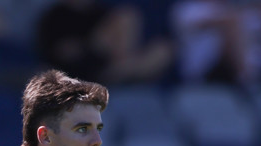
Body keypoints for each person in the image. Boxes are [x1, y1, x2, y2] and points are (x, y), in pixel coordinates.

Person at [171, 0, 261, 89]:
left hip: (260, 66)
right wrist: (238, 17)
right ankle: (250, 84)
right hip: (209, 71)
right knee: (233, 26)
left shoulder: (236, 10)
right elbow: (216, 23)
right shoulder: (189, 9)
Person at [36, 0, 174, 86]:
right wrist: (93, 44)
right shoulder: (54, 16)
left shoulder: (101, 11)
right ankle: (125, 73)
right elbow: (64, 53)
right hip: (82, 71)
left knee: (162, 50)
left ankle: (124, 71)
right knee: (124, 18)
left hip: (114, 66)